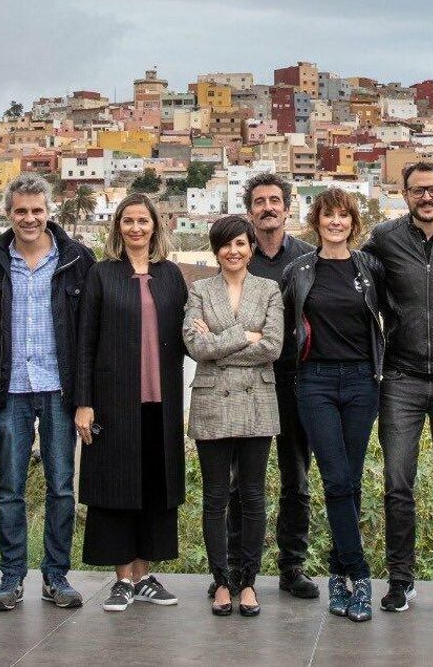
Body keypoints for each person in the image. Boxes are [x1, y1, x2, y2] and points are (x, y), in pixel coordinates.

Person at [362, 162, 433, 613]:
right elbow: (348, 270)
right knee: (397, 483)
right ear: (403, 194)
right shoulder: (384, 238)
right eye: (417, 191)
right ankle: (401, 580)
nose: (426, 198)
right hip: (402, 377)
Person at [0, 173, 93, 612]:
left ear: (50, 212)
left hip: (59, 390)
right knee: (10, 488)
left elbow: (87, 334)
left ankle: (55, 576)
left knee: (61, 487)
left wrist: (85, 395)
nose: (29, 218)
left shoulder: (76, 260)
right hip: (11, 388)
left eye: (37, 210)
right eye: (21, 211)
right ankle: (11, 578)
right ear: (9, 214)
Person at [73, 192, 189, 613]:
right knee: (117, 487)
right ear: (117, 228)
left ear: (155, 226)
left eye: (143, 221)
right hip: (114, 402)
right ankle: (122, 578)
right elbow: (84, 342)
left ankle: (144, 576)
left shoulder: (172, 275)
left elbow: (189, 333)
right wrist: (83, 402)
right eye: (128, 221)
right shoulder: (102, 275)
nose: (136, 228)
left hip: (163, 402)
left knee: (155, 488)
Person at [282, 187, 387, 622]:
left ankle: (337, 578)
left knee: (351, 480)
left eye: (343, 215)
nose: (336, 222)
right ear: (317, 222)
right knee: (336, 477)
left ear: (353, 222)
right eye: (328, 215)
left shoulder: (371, 268)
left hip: (363, 380)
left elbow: (391, 317)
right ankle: (359, 577)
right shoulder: (299, 271)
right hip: (315, 382)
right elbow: (284, 326)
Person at [183, 215, 284, 618]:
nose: (234, 251)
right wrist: (245, 335)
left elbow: (274, 345)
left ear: (251, 247)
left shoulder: (270, 289)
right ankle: (221, 580)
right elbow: (195, 346)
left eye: (241, 243)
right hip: (212, 401)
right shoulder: (199, 289)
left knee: (254, 496)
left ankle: (248, 582)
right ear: (216, 250)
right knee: (215, 497)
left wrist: (219, 339)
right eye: (226, 244)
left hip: (257, 400)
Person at [239, 172, 320, 600]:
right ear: (249, 210)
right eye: (259, 201)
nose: (267, 207)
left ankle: (292, 566)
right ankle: (237, 567)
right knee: (241, 480)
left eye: (275, 200)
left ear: (288, 208)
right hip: (248, 380)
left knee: (296, 478)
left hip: (296, 379)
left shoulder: (309, 257)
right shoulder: (236, 256)